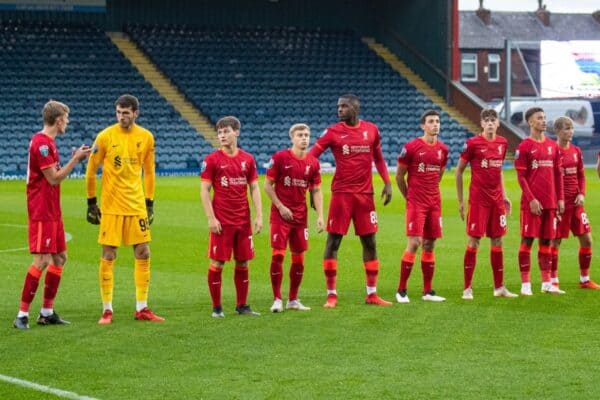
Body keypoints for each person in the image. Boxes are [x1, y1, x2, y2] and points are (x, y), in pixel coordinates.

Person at [13, 100, 92, 330]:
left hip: (52, 210)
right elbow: (53, 178)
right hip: (41, 211)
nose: (67, 122)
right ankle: (22, 314)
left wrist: (73, 158)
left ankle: (46, 312)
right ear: (58, 120)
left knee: (60, 258)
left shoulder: (49, 143)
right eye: (65, 118)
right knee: (43, 260)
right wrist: (76, 160)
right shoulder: (42, 145)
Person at [85, 94, 164, 324]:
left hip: (137, 205)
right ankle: (107, 310)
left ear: (135, 113)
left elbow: (149, 172)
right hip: (111, 207)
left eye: (126, 113)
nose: (121, 117)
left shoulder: (146, 137)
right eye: (118, 112)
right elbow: (91, 170)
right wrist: (91, 202)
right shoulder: (105, 136)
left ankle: (142, 308)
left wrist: (150, 202)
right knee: (109, 254)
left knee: (143, 253)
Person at [308, 94, 393, 308]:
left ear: (355, 108)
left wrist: (387, 182)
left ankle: (372, 294)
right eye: (338, 106)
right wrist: (311, 187)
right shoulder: (333, 132)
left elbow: (379, 158)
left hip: (365, 196)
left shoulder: (371, 130)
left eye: (344, 106)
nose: (339, 110)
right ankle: (331, 295)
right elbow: (310, 159)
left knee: (370, 242)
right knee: (334, 241)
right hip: (342, 195)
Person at [200, 116, 263, 317]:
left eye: (226, 131)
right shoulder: (211, 160)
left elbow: (254, 187)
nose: (222, 136)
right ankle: (217, 308)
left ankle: (242, 306)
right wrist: (211, 218)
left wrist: (259, 215)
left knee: (243, 262)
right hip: (222, 221)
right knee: (217, 263)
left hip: (243, 221)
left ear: (236, 132)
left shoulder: (247, 159)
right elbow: (204, 190)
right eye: (219, 133)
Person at [455, 109, 518, 300]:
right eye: (486, 120)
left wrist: (504, 196)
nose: (490, 123)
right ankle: (467, 288)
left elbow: (498, 171)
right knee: (474, 240)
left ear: (498, 123)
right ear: (481, 124)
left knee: (498, 240)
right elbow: (459, 172)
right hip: (478, 201)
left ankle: (499, 288)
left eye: (493, 120)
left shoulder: (502, 143)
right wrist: (460, 202)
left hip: (496, 201)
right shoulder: (472, 144)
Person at [264, 123, 324, 313]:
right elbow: (267, 185)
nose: (304, 138)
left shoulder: (313, 163)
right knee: (278, 255)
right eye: (300, 135)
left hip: (300, 217)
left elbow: (316, 190)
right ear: (292, 138)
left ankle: (293, 299)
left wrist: (321, 216)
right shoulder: (280, 158)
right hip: (280, 216)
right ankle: (276, 299)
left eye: (307, 134)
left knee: (299, 259)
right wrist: (280, 207)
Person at [395, 109, 448, 303]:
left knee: (430, 243)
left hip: (434, 202)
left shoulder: (443, 150)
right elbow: (399, 176)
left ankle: (427, 291)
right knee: (415, 242)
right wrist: (409, 196)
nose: (435, 124)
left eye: (437, 121)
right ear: (422, 125)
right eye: (431, 121)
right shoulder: (411, 147)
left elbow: (439, 174)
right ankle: (401, 290)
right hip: (416, 202)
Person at [514, 107, 564, 295]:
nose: (544, 121)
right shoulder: (524, 146)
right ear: (530, 122)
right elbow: (521, 177)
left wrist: (560, 199)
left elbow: (558, 174)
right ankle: (525, 285)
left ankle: (546, 284)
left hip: (550, 202)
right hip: (532, 204)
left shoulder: (553, 146)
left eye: (544, 117)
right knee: (527, 241)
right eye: (539, 118)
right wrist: (531, 200)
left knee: (547, 241)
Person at [550, 117, 599, 289]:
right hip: (559, 206)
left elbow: (581, 175)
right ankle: (553, 281)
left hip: (576, 203)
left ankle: (584, 279)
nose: (570, 131)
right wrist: (555, 200)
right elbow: (548, 180)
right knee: (555, 242)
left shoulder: (576, 151)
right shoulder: (551, 151)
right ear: (557, 131)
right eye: (566, 128)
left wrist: (582, 194)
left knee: (587, 240)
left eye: (571, 128)